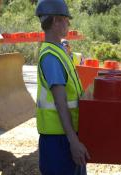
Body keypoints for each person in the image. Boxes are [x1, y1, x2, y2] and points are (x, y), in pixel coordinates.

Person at [35, 0, 90, 175]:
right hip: (59, 139)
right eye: (66, 19)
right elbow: (60, 102)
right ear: (56, 20)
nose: (69, 23)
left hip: (66, 135)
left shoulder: (59, 51)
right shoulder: (51, 56)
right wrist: (73, 142)